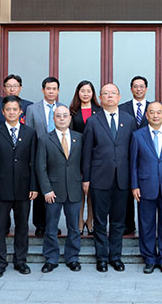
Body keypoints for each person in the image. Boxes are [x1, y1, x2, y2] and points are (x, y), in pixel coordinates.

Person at [82, 83, 136, 272]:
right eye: (106, 93)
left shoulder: (129, 120)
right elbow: (87, 152)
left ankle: (116, 257)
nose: (110, 96)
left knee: (118, 221)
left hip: (122, 178)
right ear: (100, 98)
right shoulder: (93, 121)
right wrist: (86, 178)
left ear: (119, 97)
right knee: (100, 220)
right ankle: (102, 258)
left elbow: (133, 151)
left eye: (113, 93)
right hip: (99, 178)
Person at [0, 96, 38, 278]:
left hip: (24, 187)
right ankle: (0, 262)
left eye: (15, 109)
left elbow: (33, 162)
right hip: (1, 188)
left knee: (22, 226)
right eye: (8, 109)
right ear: (3, 111)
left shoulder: (30, 133)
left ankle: (20, 260)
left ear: (21, 111)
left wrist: (34, 186)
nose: (11, 112)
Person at [130, 102, 162, 273]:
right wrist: (134, 185)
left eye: (159, 112)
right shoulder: (138, 135)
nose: (155, 115)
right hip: (145, 186)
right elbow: (133, 163)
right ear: (147, 115)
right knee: (146, 224)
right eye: (152, 112)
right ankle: (149, 259)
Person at [37, 106, 83, 273]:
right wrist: (46, 189)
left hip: (74, 188)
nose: (62, 119)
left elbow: (84, 163)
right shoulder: (44, 139)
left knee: (74, 227)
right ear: (53, 119)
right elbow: (40, 167)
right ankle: (51, 258)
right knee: (51, 227)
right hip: (53, 191)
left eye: (65, 116)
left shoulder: (79, 138)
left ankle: (72, 257)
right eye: (58, 116)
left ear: (70, 118)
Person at [26, 76, 65, 237]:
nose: (51, 92)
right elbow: (29, 133)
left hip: (57, 155)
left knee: (55, 191)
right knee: (40, 190)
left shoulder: (63, 108)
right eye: (48, 88)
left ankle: (52, 224)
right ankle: (40, 224)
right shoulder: (32, 109)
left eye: (54, 89)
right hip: (38, 154)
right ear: (43, 90)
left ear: (58, 91)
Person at [119, 75, 150, 234]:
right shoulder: (122, 108)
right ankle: (128, 224)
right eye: (135, 86)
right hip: (126, 154)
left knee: (146, 191)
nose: (139, 89)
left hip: (148, 155)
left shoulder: (153, 108)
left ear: (146, 88)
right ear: (131, 89)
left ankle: (147, 226)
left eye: (141, 86)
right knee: (126, 190)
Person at [69, 80, 101, 235]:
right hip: (77, 154)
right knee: (80, 189)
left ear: (93, 93)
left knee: (93, 190)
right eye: (82, 91)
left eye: (89, 91)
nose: (86, 94)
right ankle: (80, 221)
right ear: (78, 93)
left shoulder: (99, 111)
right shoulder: (73, 111)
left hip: (95, 154)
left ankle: (90, 220)